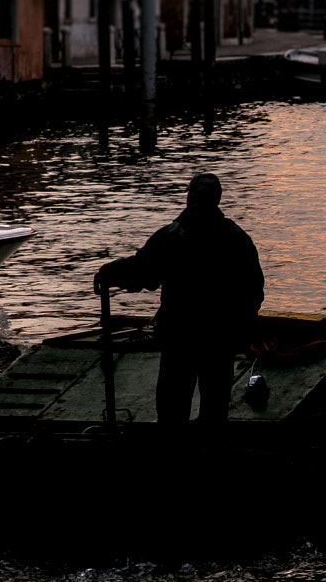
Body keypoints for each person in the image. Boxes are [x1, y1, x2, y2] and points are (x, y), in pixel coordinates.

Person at [93, 172, 265, 427]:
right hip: (220, 337)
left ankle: (174, 456)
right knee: (215, 409)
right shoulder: (237, 239)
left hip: (181, 336)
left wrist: (111, 271)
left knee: (173, 410)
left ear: (189, 197)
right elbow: (254, 290)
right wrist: (241, 329)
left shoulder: (173, 235)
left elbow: (144, 272)